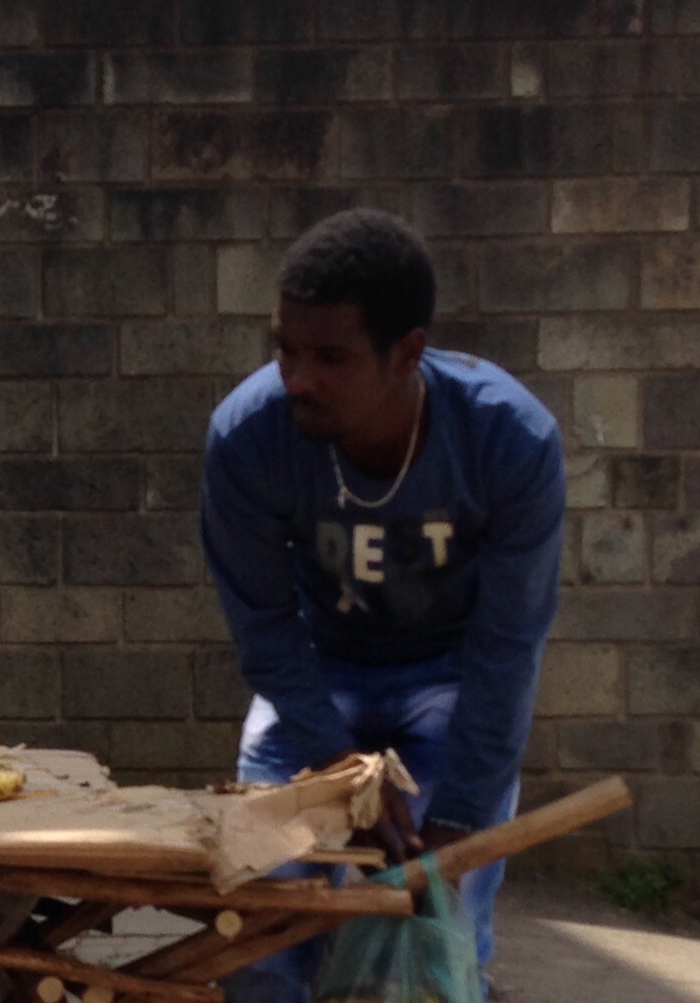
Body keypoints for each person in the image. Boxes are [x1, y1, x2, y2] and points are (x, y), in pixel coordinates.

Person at [201, 208, 565, 1001]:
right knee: (264, 919)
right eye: (285, 349)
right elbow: (262, 625)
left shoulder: (508, 440)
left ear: (408, 353)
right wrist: (337, 764)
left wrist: (459, 819)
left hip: (448, 680)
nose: (298, 378)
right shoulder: (248, 437)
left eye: (330, 356)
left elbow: (509, 646)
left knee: (435, 935)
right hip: (315, 678)